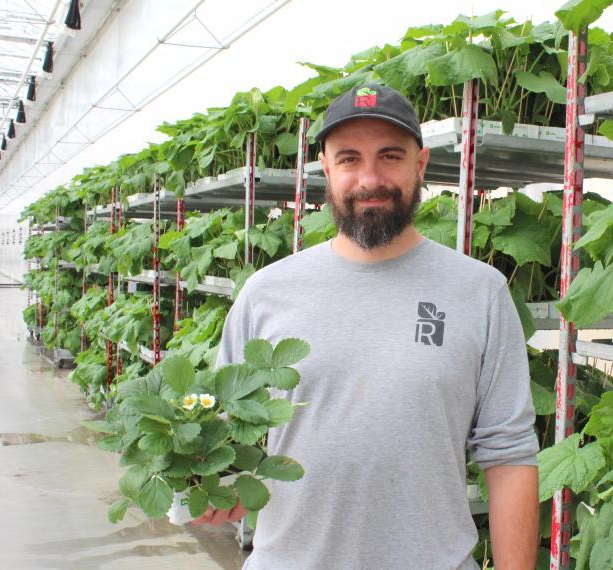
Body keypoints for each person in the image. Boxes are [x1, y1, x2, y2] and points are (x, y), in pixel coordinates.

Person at [195, 84, 539, 569]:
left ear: (420, 166)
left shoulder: (479, 293)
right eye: (350, 158)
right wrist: (209, 483)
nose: (370, 178)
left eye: (390, 156)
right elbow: (221, 430)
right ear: (326, 169)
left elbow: (509, 455)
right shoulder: (266, 293)